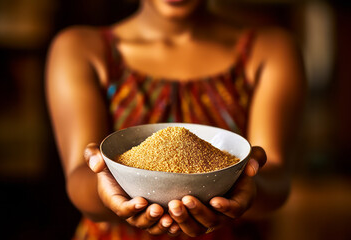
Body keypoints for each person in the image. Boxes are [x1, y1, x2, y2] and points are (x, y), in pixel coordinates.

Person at [46, 0, 305, 239]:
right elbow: (78, 177)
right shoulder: (81, 48)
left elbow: (276, 178)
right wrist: (104, 189)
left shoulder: (269, 49)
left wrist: (247, 186)